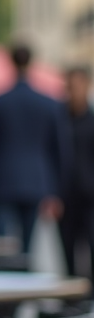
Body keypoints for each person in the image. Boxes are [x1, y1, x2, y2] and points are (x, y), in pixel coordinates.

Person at [0, 44, 67, 254]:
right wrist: (57, 190)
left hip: (2, 180)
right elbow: (59, 150)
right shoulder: (49, 104)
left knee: (0, 248)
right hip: (36, 180)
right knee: (27, 246)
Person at [60, 65, 94, 281]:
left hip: (91, 197)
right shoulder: (59, 119)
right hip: (65, 197)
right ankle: (71, 294)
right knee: (67, 252)